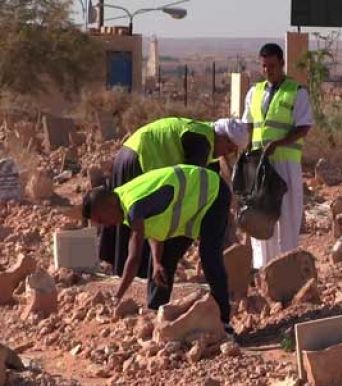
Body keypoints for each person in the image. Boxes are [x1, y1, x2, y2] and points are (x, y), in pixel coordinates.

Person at [83, 165, 234, 334]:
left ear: (108, 203)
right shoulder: (122, 200)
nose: (106, 225)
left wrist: (117, 296)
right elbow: (153, 228)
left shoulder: (134, 206)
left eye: (102, 218)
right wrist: (156, 262)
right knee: (162, 263)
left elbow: (134, 258)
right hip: (190, 207)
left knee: (209, 257)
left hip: (212, 192)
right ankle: (158, 314)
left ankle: (224, 322)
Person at [98, 117, 249, 279]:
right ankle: (133, 276)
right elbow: (190, 186)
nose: (228, 153)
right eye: (229, 147)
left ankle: (121, 271)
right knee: (137, 217)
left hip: (129, 152)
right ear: (221, 136)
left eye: (233, 150)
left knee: (125, 214)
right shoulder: (201, 143)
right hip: (142, 157)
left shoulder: (202, 135)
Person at [242, 43, 313, 271]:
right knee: (260, 214)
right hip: (259, 165)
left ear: (282, 63)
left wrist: (279, 144)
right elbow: (249, 125)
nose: (268, 71)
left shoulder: (297, 92)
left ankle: (287, 269)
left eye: (272, 66)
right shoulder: (254, 92)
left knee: (287, 217)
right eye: (264, 66)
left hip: (285, 164)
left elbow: (303, 127)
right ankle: (263, 269)